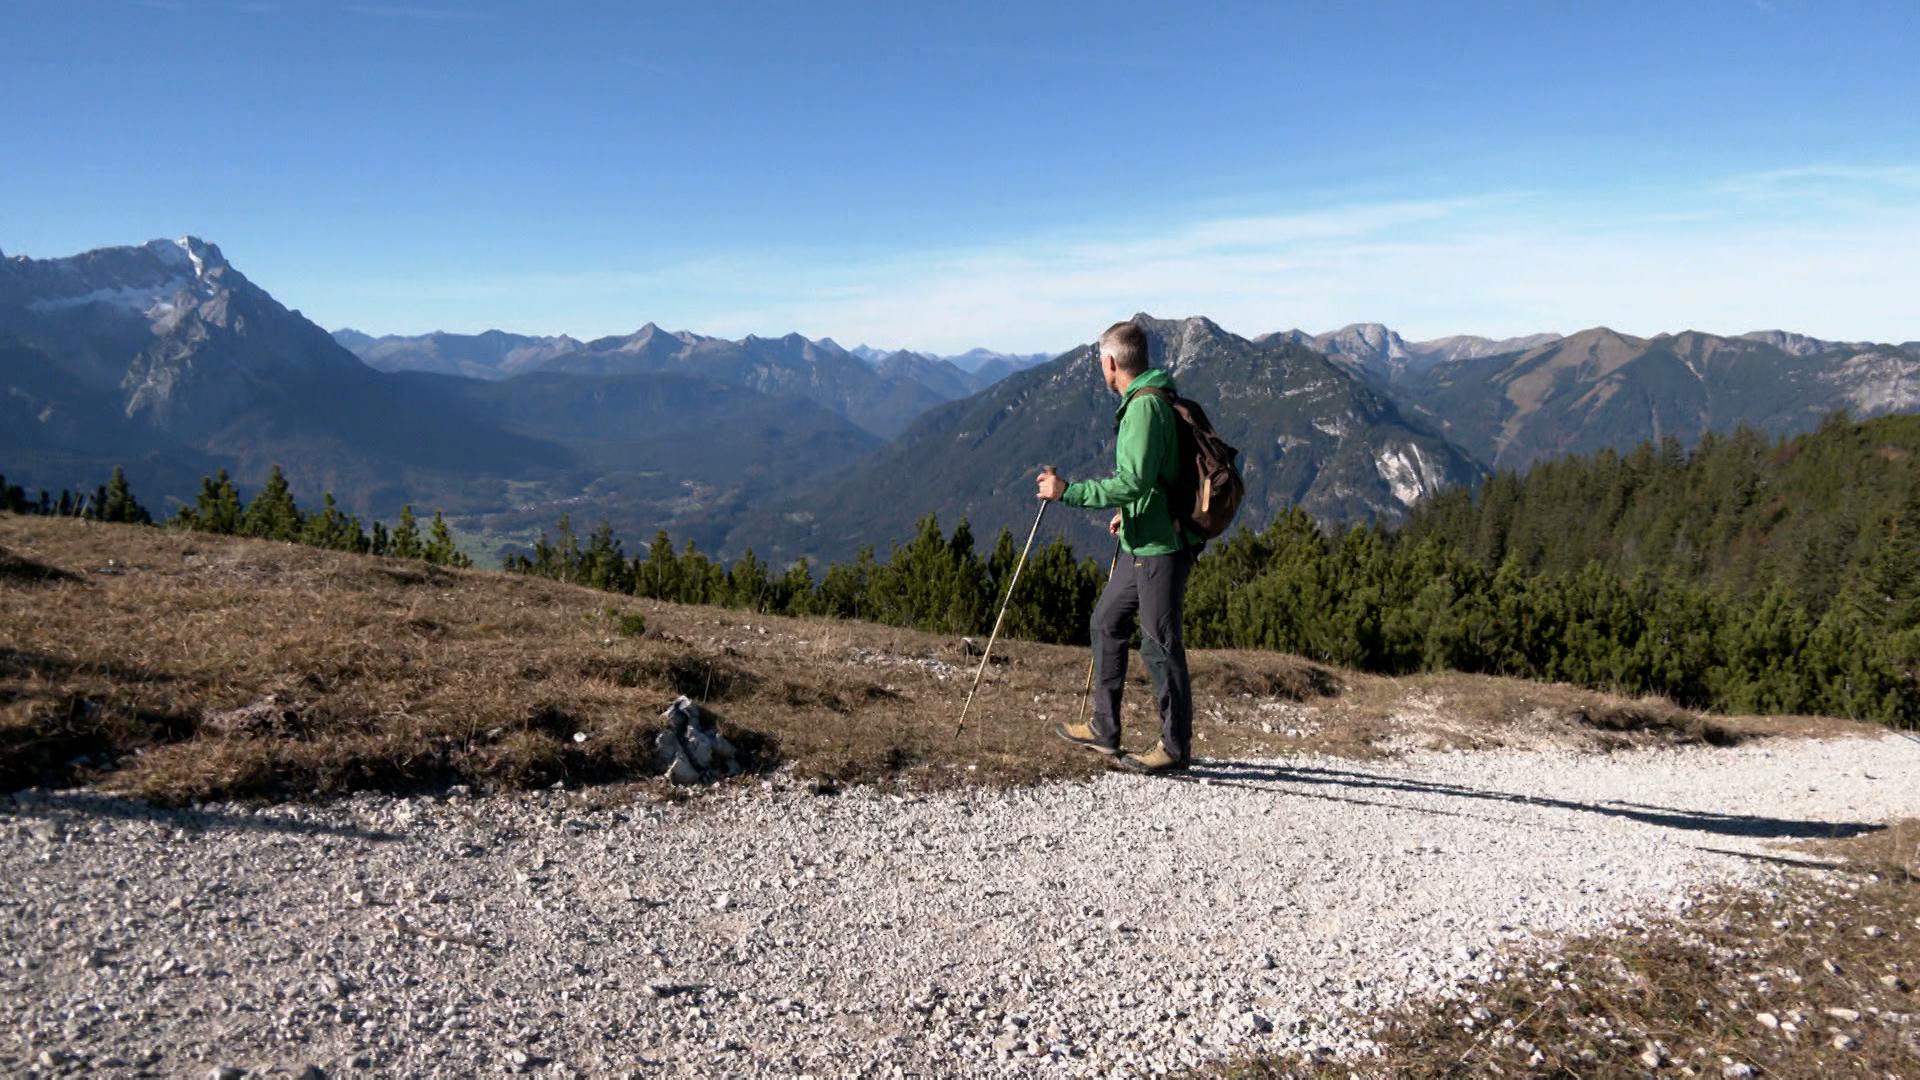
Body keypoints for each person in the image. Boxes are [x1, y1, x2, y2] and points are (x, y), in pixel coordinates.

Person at [1035, 320, 1200, 774]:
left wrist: (1066, 491)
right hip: (1141, 538)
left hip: (1160, 547)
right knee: (1107, 622)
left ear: (1111, 362)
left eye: (1100, 362)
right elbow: (1151, 479)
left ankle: (1174, 747)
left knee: (1160, 645)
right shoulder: (1150, 401)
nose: (1100, 368)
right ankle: (1105, 729)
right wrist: (1129, 513)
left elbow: (1133, 480)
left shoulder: (1145, 409)